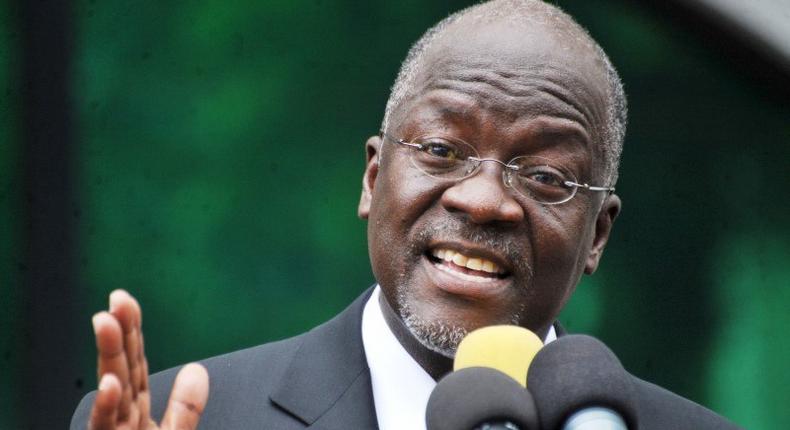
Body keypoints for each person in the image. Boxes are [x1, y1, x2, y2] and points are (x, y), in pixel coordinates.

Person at [71, 1, 741, 429]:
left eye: (543, 175)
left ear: (597, 234)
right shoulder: (192, 419)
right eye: (443, 149)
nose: (482, 200)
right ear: (372, 178)